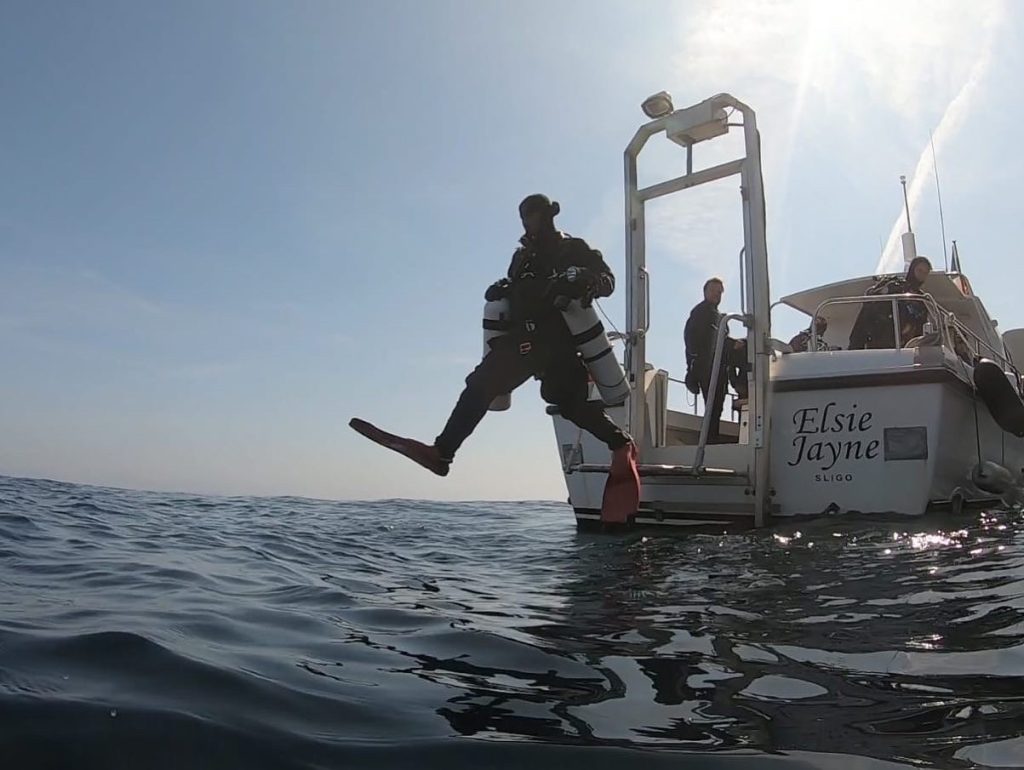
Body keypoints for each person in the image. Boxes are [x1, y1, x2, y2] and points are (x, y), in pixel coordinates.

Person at [381, 194, 635, 476]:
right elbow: (518, 288)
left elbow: (607, 281)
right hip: (525, 338)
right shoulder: (522, 257)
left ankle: (621, 445)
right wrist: (503, 290)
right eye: (524, 216)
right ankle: (442, 453)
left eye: (533, 215)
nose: (528, 222)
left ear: (549, 214)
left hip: (557, 340)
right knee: (498, 387)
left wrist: (590, 280)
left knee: (560, 401)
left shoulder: (573, 249)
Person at [684, 277, 745, 443]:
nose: (716, 294)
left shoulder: (718, 316)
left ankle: (711, 439)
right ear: (705, 292)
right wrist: (732, 344)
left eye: (719, 292)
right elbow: (705, 340)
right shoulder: (701, 313)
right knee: (713, 405)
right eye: (713, 290)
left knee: (716, 406)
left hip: (718, 367)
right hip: (707, 368)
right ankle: (709, 442)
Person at [848, 256, 933, 350]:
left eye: (925, 273)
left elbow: (921, 322)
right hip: (881, 336)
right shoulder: (894, 284)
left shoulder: (922, 299)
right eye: (919, 270)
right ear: (912, 269)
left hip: (906, 345)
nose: (921, 274)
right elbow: (870, 305)